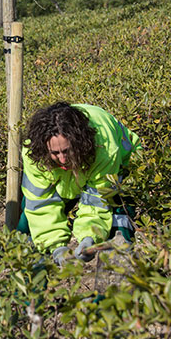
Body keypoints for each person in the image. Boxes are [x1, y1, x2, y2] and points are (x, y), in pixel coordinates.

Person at [18, 102, 142, 266]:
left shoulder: (104, 147)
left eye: (66, 151)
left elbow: (97, 201)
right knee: (27, 222)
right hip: (71, 178)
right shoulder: (34, 153)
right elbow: (41, 204)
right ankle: (29, 283)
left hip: (119, 167)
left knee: (118, 224)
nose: (62, 159)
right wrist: (56, 247)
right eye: (55, 153)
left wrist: (89, 237)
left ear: (78, 142)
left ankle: (114, 286)